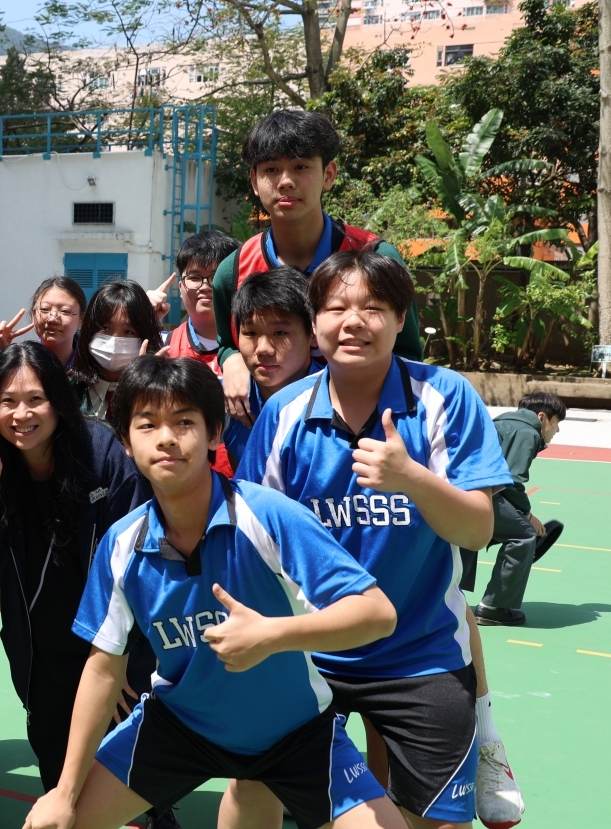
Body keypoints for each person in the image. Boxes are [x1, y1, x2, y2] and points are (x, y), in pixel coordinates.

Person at [22, 355, 403, 829]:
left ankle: (255, 784)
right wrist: (63, 793)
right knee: (61, 822)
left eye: (184, 422)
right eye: (147, 424)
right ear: (126, 443)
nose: (166, 438)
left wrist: (272, 635)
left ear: (214, 433)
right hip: (179, 726)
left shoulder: (270, 516)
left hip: (298, 733)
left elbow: (377, 613)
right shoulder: (121, 544)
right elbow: (103, 667)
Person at [237, 249, 514, 829]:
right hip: (311, 651)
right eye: (337, 307)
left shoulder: (445, 397)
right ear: (316, 323)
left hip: (420, 653)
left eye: (373, 308)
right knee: (252, 785)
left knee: (438, 820)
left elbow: (478, 530)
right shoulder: (284, 413)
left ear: (399, 319)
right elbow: (253, 543)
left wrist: (410, 477)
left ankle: (484, 736)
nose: (353, 321)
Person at [0, 342, 155, 795]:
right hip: (39, 646)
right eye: (8, 401)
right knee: (57, 763)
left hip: (112, 639)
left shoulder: (101, 451)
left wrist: (123, 659)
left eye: (35, 399)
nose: (21, 414)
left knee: (128, 761)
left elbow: (138, 563)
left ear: (59, 402)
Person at [212, 110, 423, 426]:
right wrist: (230, 360)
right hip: (264, 433)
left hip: (367, 433)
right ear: (254, 181)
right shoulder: (233, 270)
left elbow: (408, 358)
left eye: (301, 167)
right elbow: (227, 341)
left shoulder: (376, 258)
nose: (286, 181)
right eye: (271, 169)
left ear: (329, 174)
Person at [462, 392, 566, 627]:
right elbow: (511, 480)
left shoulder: (501, 423)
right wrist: (527, 515)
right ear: (542, 417)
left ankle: (449, 595)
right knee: (523, 535)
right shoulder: (527, 432)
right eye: (557, 422)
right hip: (481, 493)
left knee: (469, 535)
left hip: (458, 490)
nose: (557, 430)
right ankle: (494, 607)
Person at [221, 266, 319, 470]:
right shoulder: (225, 400)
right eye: (250, 333)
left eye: (280, 333)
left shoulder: (341, 397)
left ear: (312, 332)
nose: (263, 349)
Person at [71, 281, 164, 424]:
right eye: (105, 328)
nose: (114, 341)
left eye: (128, 332)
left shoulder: (161, 392)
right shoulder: (68, 390)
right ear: (89, 328)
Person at [163, 231, 240, 376]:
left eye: (216, 276)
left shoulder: (257, 344)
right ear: (180, 288)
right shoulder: (162, 346)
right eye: (194, 277)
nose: (205, 286)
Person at [28, 276, 88, 369]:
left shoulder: (93, 367)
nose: (52, 319)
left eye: (65, 311)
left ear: (81, 320)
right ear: (33, 314)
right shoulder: (20, 362)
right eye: (45, 309)